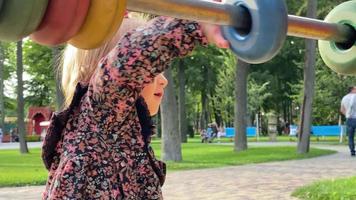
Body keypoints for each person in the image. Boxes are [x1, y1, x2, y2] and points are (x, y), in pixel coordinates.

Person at [41, 12, 229, 199]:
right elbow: (128, 59)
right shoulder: (100, 116)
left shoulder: (122, 135)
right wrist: (196, 26)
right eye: (150, 71)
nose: (163, 80)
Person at [340, 86, 356, 156]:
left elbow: (342, 110)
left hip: (349, 119)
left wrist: (347, 115)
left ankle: (352, 151)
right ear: (352, 89)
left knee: (350, 136)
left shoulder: (344, 98)